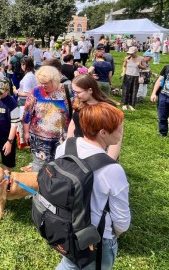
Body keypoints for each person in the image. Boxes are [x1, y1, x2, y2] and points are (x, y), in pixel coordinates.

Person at [54, 103, 130, 270]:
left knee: (69, 263)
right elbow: (122, 221)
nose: (121, 133)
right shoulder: (112, 169)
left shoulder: (65, 147)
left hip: (65, 226)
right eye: (119, 129)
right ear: (103, 133)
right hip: (95, 237)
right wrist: (112, 235)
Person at [22, 66, 70, 172]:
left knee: (59, 166)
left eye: (46, 83)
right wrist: (25, 133)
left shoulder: (66, 91)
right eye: (41, 82)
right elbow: (27, 114)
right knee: (39, 166)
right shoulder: (35, 92)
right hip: (39, 139)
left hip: (61, 138)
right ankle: (37, 187)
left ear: (55, 80)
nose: (43, 86)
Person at [66, 74, 121, 160]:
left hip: (98, 153)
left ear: (90, 90)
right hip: (78, 150)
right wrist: (68, 144)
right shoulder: (78, 103)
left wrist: (110, 160)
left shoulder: (108, 108)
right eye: (74, 92)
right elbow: (73, 123)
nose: (75, 95)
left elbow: (116, 136)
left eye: (78, 92)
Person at [120, 47, 145, 111]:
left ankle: (132, 104)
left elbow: (144, 67)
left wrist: (139, 65)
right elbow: (124, 66)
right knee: (125, 90)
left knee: (134, 91)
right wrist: (123, 72)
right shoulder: (127, 58)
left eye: (132, 53)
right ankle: (124, 104)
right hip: (127, 76)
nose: (130, 55)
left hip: (136, 76)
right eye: (129, 53)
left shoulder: (141, 58)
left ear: (136, 52)